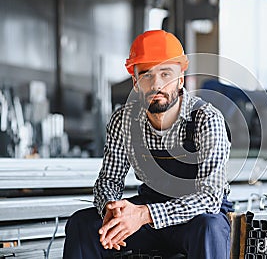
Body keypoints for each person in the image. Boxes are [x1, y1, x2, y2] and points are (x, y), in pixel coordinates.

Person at [63, 30, 233, 259]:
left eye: (166, 74)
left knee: (209, 228)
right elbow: (109, 180)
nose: (156, 84)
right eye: (146, 75)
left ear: (180, 78)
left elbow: (210, 198)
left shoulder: (206, 119)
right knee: (82, 225)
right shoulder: (124, 121)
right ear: (135, 82)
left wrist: (144, 214)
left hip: (195, 219)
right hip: (150, 209)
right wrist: (112, 210)